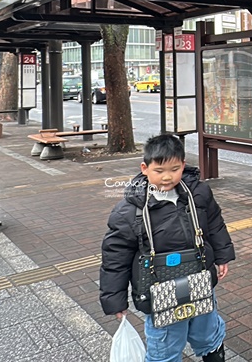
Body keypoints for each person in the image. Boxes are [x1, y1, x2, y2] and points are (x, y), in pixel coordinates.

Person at [100, 135, 235, 362]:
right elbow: (115, 257)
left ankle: (213, 351)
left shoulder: (198, 193)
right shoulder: (129, 211)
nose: (167, 177)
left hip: (200, 277)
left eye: (174, 169)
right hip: (159, 290)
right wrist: (115, 299)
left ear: (183, 165)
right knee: (165, 344)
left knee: (206, 326)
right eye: (159, 170)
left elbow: (214, 224)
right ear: (145, 168)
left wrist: (222, 256)